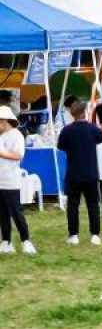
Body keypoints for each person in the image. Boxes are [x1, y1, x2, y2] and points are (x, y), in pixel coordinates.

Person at [58, 100, 102, 246]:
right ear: (85, 112)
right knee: (93, 204)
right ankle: (95, 234)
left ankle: (73, 235)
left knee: (73, 205)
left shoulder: (66, 131)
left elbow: (61, 147)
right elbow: (101, 139)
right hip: (91, 172)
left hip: (73, 173)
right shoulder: (93, 129)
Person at [0, 105, 34, 255]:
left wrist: (2, 153)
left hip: (11, 181)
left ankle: (26, 241)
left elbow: (18, 155)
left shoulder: (16, 136)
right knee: (2, 215)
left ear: (5, 121)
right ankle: (6, 242)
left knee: (16, 213)